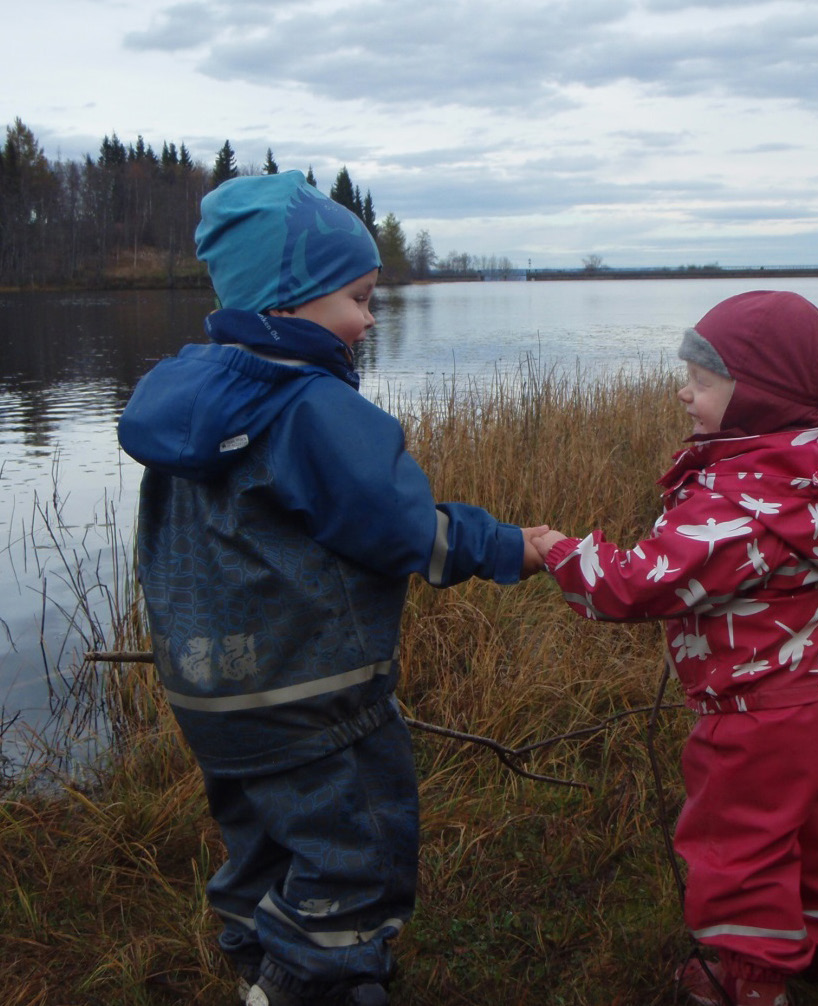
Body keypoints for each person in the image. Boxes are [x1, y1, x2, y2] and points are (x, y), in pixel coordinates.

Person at [117, 170, 547, 1006]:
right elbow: (400, 528)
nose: (368, 318)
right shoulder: (309, 405)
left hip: (213, 698)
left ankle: (258, 958)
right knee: (360, 860)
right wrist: (506, 547)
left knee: (263, 847)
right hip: (315, 700)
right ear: (291, 302)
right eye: (357, 297)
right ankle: (312, 982)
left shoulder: (191, 406)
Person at [532, 291, 818, 1006]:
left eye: (702, 379)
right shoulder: (815, 470)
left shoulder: (735, 503)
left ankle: (748, 978)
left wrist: (557, 552)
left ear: (757, 394)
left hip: (755, 715)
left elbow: (634, 586)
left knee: (741, 847)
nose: (682, 390)